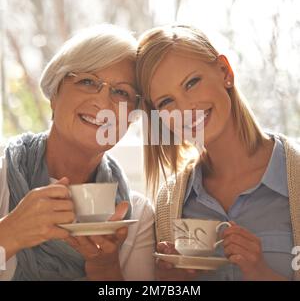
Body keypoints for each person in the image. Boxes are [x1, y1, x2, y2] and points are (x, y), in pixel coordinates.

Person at [136, 24, 300, 281]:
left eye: (191, 83)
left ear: (225, 72)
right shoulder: (170, 202)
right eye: (167, 102)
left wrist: (261, 273)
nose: (185, 109)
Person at [0, 24, 155, 281]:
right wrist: (10, 233)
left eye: (121, 92)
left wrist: (105, 267)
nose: (103, 103)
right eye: (87, 81)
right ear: (54, 94)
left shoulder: (136, 215)